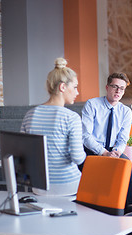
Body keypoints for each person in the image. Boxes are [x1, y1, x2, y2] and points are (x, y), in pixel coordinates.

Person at [21, 57, 86, 196]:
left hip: (39, 187)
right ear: (63, 87)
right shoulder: (71, 117)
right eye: (75, 87)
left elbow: (23, 154)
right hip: (68, 186)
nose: (77, 92)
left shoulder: (30, 115)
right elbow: (78, 158)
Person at [81, 72, 132, 206]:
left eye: (122, 88)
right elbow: (85, 136)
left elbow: (123, 138)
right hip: (92, 149)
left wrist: (117, 152)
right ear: (107, 87)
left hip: (114, 151)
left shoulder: (126, 111)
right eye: (115, 86)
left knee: (129, 169)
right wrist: (104, 153)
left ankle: (131, 213)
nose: (118, 91)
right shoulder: (92, 105)